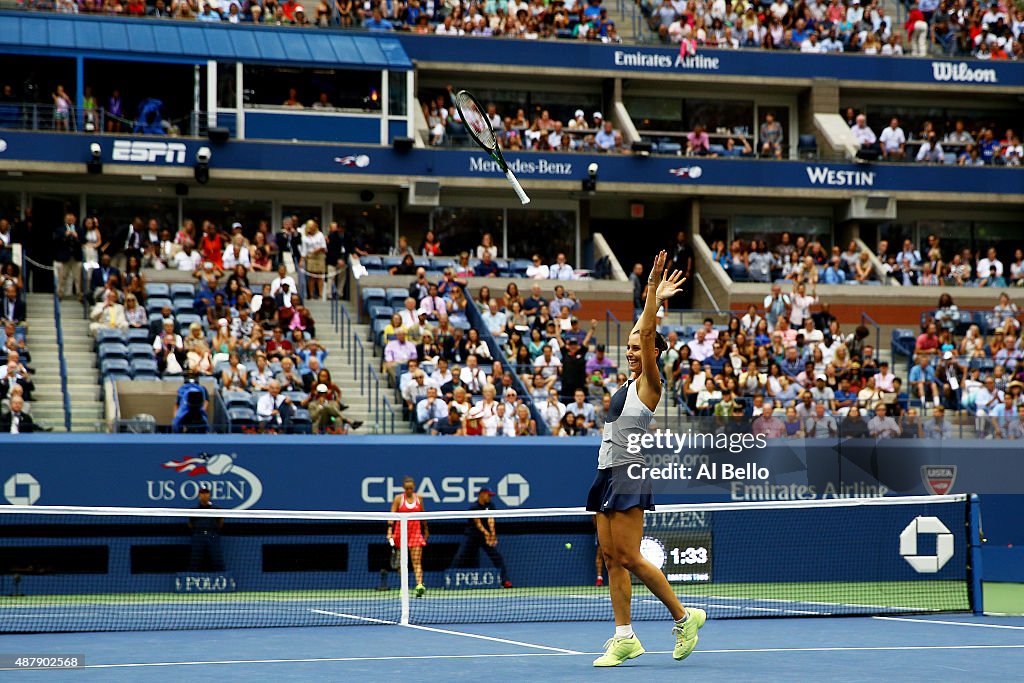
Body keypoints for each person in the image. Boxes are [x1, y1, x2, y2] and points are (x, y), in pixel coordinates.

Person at [587, 250, 704, 668]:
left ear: (653, 352)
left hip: (629, 471)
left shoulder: (651, 383)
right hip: (606, 471)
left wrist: (653, 286)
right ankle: (625, 637)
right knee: (609, 556)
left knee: (631, 557)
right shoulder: (629, 379)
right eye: (631, 346)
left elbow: (648, 329)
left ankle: (685, 616)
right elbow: (643, 325)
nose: (632, 350)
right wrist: (652, 294)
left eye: (640, 347)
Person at [450, 488, 512, 588]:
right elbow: (478, 524)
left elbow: (490, 520)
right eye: (488, 495)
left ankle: (505, 581)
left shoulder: (491, 506)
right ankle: (450, 579)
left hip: (484, 537)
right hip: (472, 535)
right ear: (482, 494)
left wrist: (493, 535)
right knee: (460, 556)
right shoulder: (474, 507)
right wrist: (487, 534)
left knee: (497, 557)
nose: (490, 497)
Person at [388, 476, 429, 598]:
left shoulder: (419, 499)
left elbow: (423, 515)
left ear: (414, 487)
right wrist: (390, 530)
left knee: (416, 561)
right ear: (403, 488)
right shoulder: (398, 499)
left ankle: (419, 586)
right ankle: (404, 587)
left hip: (415, 533)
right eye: (407, 489)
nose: (409, 490)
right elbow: (392, 515)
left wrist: (426, 529)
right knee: (402, 563)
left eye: (411, 488)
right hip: (400, 534)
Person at [188, 483, 224, 571]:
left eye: (206, 493)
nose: (204, 495)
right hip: (198, 536)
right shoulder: (194, 511)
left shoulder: (216, 510)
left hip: (212, 536)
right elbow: (190, 524)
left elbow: (221, 523)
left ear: (209, 494)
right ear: (199, 495)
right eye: (202, 493)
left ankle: (222, 577)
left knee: (217, 559)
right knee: (195, 560)